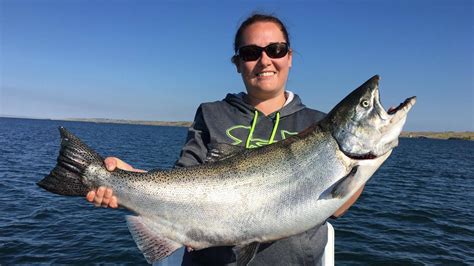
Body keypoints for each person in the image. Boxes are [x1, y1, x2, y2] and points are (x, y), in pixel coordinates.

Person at [86, 13, 365, 265]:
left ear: (289, 57)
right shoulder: (211, 114)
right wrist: (127, 180)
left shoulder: (318, 124)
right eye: (251, 52)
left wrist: (360, 167)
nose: (265, 60)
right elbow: (184, 181)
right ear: (237, 63)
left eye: (275, 50)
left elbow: (336, 206)